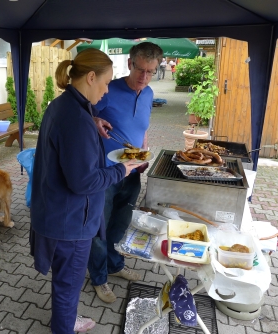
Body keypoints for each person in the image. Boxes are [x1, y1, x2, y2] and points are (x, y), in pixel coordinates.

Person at [30, 48, 142, 333]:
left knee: (64, 282)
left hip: (55, 213)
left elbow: (67, 135)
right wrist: (123, 169)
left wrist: (92, 121)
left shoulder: (65, 105)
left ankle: (65, 320)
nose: (106, 91)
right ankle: (64, 327)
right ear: (91, 77)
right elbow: (83, 182)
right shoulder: (76, 119)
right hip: (69, 223)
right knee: (68, 285)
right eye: (105, 83)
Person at [89, 42, 163, 304]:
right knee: (99, 227)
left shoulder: (149, 93)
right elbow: (83, 113)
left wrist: (144, 150)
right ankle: (98, 277)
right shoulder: (109, 90)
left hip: (132, 171)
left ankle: (114, 264)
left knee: (119, 224)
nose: (144, 77)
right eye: (140, 69)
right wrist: (95, 119)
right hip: (105, 172)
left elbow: (143, 127)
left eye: (151, 71)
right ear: (130, 64)